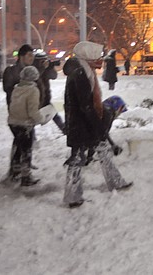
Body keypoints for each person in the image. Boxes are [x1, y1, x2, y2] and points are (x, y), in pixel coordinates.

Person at [63, 41, 131, 208]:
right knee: (77, 158)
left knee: (102, 151)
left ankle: (115, 181)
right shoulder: (80, 74)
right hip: (81, 123)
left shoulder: (86, 71)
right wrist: (98, 125)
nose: (101, 60)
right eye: (98, 56)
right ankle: (72, 195)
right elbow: (85, 105)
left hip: (87, 121)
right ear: (88, 56)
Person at [7, 65, 43, 185]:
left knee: (18, 147)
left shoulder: (16, 88)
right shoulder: (33, 90)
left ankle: (15, 171)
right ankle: (26, 176)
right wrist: (41, 119)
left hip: (13, 122)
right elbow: (32, 110)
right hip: (25, 123)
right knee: (26, 150)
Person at [33, 50, 64, 133]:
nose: (44, 62)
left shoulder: (45, 68)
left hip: (45, 96)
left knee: (53, 113)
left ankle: (64, 129)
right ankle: (30, 136)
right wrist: (43, 67)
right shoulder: (33, 69)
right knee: (32, 118)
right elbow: (35, 77)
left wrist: (50, 67)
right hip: (34, 97)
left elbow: (53, 76)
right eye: (42, 60)